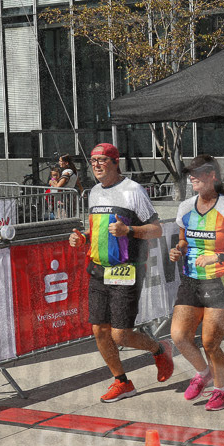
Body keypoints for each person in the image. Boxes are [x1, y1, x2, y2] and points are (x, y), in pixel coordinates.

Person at [68, 142, 174, 403]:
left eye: (103, 160)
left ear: (116, 162)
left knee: (121, 334)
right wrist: (83, 238)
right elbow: (98, 229)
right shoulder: (94, 192)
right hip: (98, 269)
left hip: (127, 270)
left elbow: (157, 229)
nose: (96, 165)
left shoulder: (133, 191)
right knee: (99, 331)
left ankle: (159, 348)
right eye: (93, 161)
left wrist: (129, 231)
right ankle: (122, 382)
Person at [168, 155, 224, 411]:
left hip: (221, 281)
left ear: (212, 176)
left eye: (197, 173)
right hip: (191, 280)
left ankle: (221, 391)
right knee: (179, 336)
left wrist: (218, 257)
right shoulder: (186, 207)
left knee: (210, 343)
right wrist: (178, 250)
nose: (192, 177)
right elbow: (184, 239)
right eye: (190, 174)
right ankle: (203, 373)